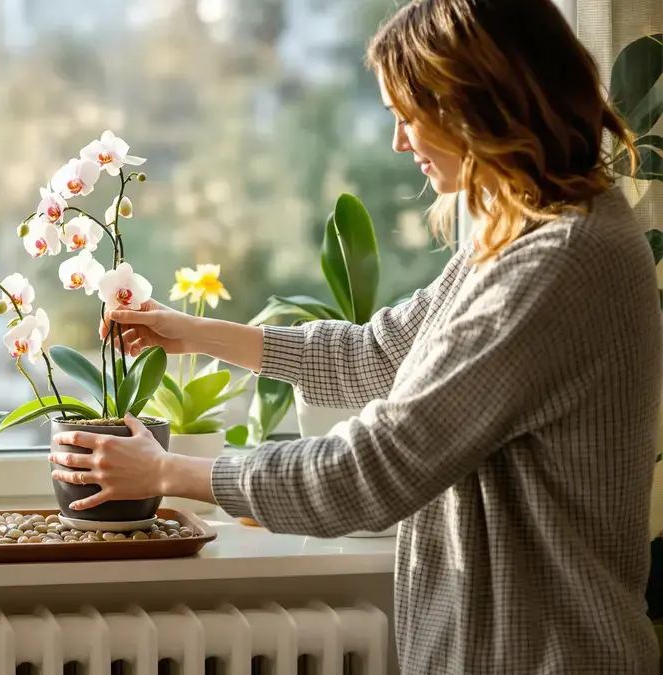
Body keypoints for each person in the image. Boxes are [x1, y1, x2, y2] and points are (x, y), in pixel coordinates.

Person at [49, 0, 661, 672]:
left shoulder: (559, 261)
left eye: (409, 116)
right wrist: (193, 333)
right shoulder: (529, 233)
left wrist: (169, 472)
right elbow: (380, 354)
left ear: (476, 103)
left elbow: (374, 467)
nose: (399, 142)